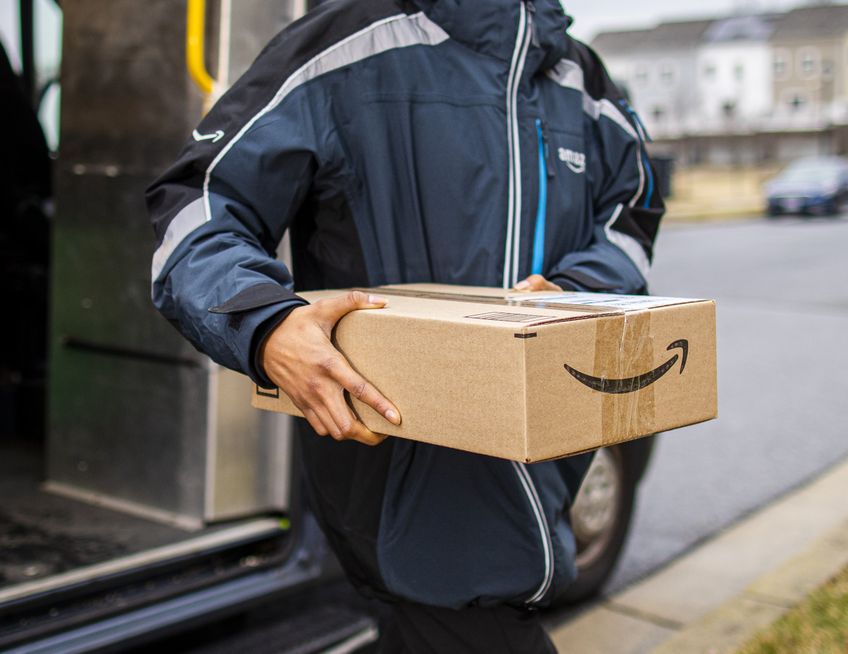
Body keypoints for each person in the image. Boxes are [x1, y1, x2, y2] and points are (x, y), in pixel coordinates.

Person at [147, 0, 663, 651]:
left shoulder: (583, 81)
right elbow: (197, 203)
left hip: (542, 487)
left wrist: (579, 290)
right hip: (401, 499)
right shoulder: (343, 44)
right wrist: (266, 324)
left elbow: (636, 207)